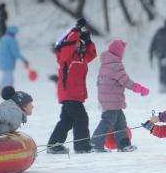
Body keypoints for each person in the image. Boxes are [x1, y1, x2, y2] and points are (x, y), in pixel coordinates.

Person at [47, 18, 97, 154]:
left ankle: (53, 146)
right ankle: (82, 146)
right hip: (69, 94)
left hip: (76, 95)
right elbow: (69, 43)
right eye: (78, 45)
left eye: (81, 45)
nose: (80, 47)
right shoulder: (66, 58)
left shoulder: (81, 59)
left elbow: (92, 54)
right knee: (81, 117)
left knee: (67, 121)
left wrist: (88, 40)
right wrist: (76, 29)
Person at [92, 40, 150, 153]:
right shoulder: (115, 65)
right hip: (112, 101)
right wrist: (140, 89)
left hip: (109, 100)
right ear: (119, 52)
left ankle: (124, 144)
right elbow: (126, 81)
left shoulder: (105, 63)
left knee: (120, 122)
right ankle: (95, 144)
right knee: (107, 122)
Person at [0, 25, 29, 99]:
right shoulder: (12, 40)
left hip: (2, 62)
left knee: (6, 80)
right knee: (8, 81)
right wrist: (24, 60)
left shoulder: (3, 39)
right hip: (8, 63)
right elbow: (16, 53)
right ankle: (10, 96)